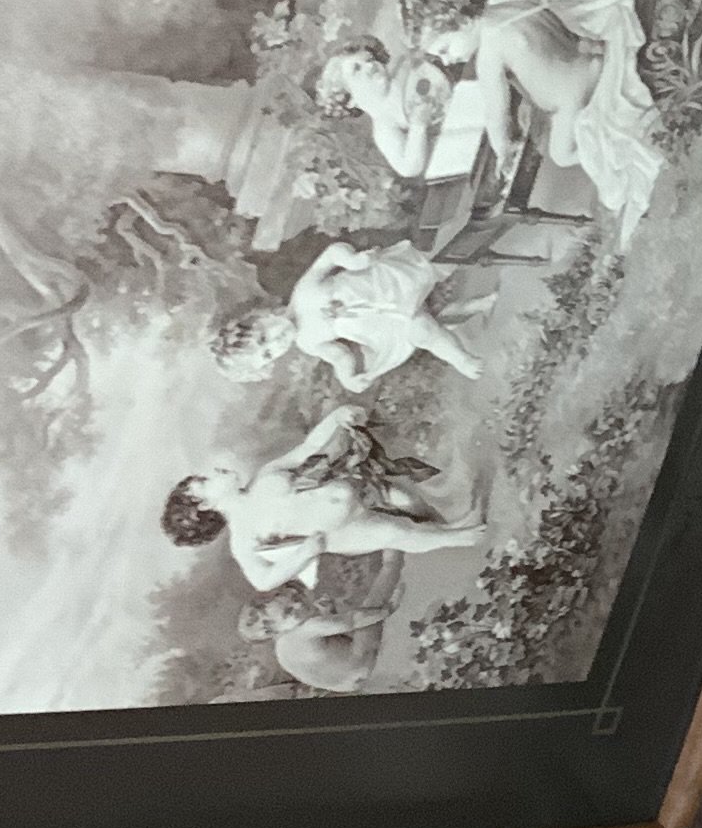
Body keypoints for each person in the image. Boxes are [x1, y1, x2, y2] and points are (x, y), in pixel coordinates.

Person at [161, 400, 481, 594]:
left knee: (407, 500)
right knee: (398, 532)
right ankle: (463, 538)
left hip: (355, 489)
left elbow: (308, 449)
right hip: (342, 531)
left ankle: (451, 524)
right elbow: (261, 580)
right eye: (206, 480)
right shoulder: (242, 538)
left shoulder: (264, 478)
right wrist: (303, 555)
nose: (215, 470)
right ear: (204, 504)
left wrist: (336, 418)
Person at [209, 238, 490, 391]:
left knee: (442, 262)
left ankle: (483, 243)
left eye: (263, 338)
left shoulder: (304, 292)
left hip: (387, 282)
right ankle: (461, 358)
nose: (276, 342)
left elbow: (330, 255)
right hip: (386, 324)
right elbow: (339, 356)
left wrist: (352, 260)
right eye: (269, 353)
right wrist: (348, 377)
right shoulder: (308, 342)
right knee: (423, 331)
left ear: (260, 316)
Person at [315, 34, 495, 183]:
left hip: (475, 80)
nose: (370, 66)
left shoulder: (404, 67)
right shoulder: (384, 127)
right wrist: (418, 125)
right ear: (349, 100)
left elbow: (439, 58)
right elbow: (409, 167)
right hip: (467, 126)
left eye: (369, 60)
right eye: (357, 69)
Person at [239, 578, 389, 694]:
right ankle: (391, 562)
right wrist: (384, 612)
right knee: (370, 606)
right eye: (289, 611)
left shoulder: (281, 652)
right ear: (274, 631)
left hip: (347, 685)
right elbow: (354, 621)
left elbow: (324, 651)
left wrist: (328, 614)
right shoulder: (309, 627)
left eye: (295, 599)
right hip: (363, 664)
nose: (299, 606)